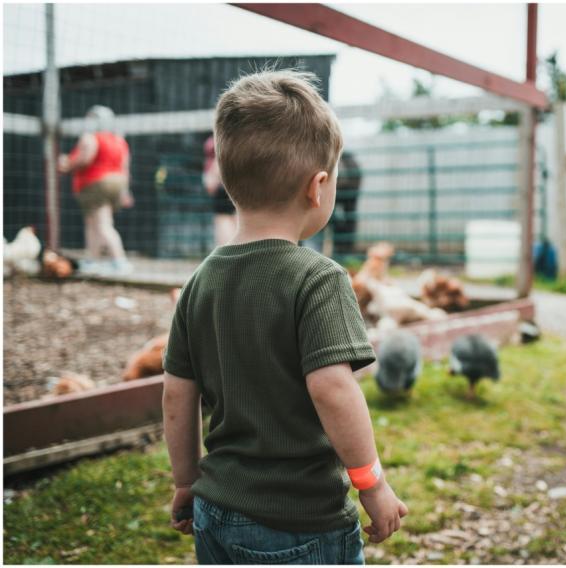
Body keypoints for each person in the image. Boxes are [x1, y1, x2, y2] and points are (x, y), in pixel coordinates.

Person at [162, 70, 408, 565]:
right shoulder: (318, 278)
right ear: (317, 187)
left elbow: (176, 392)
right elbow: (334, 388)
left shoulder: (199, 282)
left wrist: (187, 482)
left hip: (216, 511)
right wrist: (372, 484)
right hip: (300, 522)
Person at [57, 105, 134, 275]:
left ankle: (120, 261)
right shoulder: (119, 140)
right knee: (94, 223)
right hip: (116, 182)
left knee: (102, 224)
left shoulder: (91, 137)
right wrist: (126, 191)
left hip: (95, 183)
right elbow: (125, 166)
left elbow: (85, 158)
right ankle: (93, 260)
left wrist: (67, 163)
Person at [202, 134, 237, 247]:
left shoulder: (220, 142)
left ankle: (231, 258)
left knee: (224, 222)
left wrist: (211, 180)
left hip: (225, 189)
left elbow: (210, 185)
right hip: (235, 189)